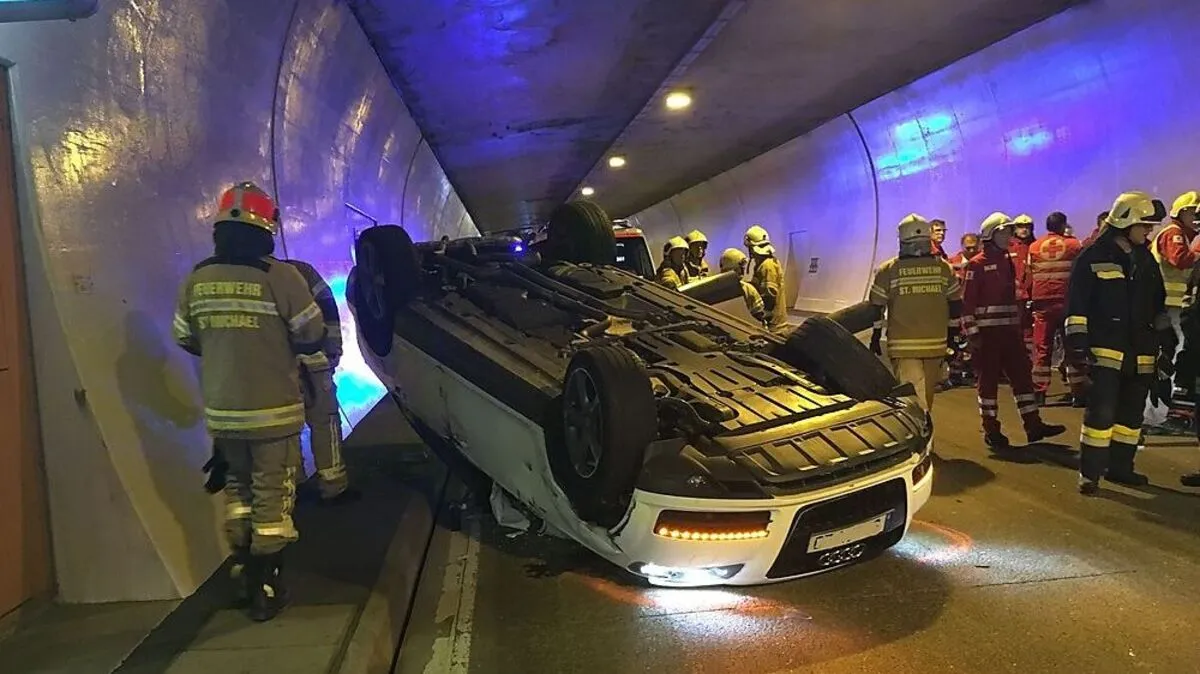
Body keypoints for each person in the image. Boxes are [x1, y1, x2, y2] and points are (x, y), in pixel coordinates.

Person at [173, 182, 327, 621]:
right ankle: (267, 584)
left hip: (224, 414)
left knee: (237, 491)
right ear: (267, 229)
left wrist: (226, 348)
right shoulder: (278, 276)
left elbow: (185, 336)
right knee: (272, 498)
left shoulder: (197, 278)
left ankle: (240, 568)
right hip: (274, 410)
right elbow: (311, 333)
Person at [1065, 191, 1172, 494]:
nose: (1149, 231)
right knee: (1100, 416)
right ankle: (1090, 474)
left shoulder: (1145, 259)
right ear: (1126, 223)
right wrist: (1078, 347)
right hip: (1106, 353)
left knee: (1130, 417)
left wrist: (1166, 341)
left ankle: (1121, 468)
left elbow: (1158, 305)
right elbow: (1077, 306)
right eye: (1145, 226)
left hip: (1141, 352)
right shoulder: (1092, 257)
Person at [961, 212, 1066, 450]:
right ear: (991, 234)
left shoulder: (1006, 260)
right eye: (1005, 231)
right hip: (987, 336)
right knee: (987, 384)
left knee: (1022, 378)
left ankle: (1033, 425)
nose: (1009, 235)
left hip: (1010, 333)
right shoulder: (976, 264)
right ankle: (991, 429)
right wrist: (973, 334)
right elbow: (967, 303)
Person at [867, 214, 962, 412]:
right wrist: (953, 338)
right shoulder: (944, 268)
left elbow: (876, 308)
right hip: (936, 344)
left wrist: (876, 337)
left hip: (904, 347)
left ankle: (922, 440)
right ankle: (927, 439)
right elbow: (955, 305)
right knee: (926, 397)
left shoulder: (888, 270)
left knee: (916, 402)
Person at [284, 258, 357, 504]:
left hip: (281, 371)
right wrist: (332, 350)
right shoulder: (300, 271)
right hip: (313, 365)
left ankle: (298, 485)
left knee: (287, 429)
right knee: (325, 422)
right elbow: (327, 307)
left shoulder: (259, 279)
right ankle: (333, 485)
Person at [1144, 191, 1200, 434]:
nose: (1196, 218)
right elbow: (1180, 260)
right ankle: (1166, 413)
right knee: (1175, 356)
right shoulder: (1174, 234)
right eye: (1193, 213)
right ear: (1182, 212)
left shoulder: (1185, 235)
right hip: (1170, 306)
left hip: (1175, 306)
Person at [1027, 211, 1087, 405]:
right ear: (1063, 225)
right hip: (1067, 303)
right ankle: (1078, 393)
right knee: (1073, 347)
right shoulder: (1074, 245)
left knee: (1042, 347)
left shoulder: (1034, 247)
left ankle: (1039, 393)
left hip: (1042, 303)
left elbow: (1029, 274)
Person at [744, 225, 789, 332]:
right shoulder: (764, 264)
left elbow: (769, 293)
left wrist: (761, 316)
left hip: (775, 327)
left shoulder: (766, 265)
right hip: (775, 325)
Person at [718, 248, 766, 326]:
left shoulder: (748, 289)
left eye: (742, 268)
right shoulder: (748, 289)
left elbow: (759, 315)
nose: (742, 271)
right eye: (740, 267)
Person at [1010, 214, 1036, 358]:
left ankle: (1027, 359)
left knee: (1028, 329)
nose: (1024, 230)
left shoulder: (1035, 246)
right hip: (1011, 297)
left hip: (1030, 296)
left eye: (1027, 227)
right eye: (1020, 226)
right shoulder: (1008, 246)